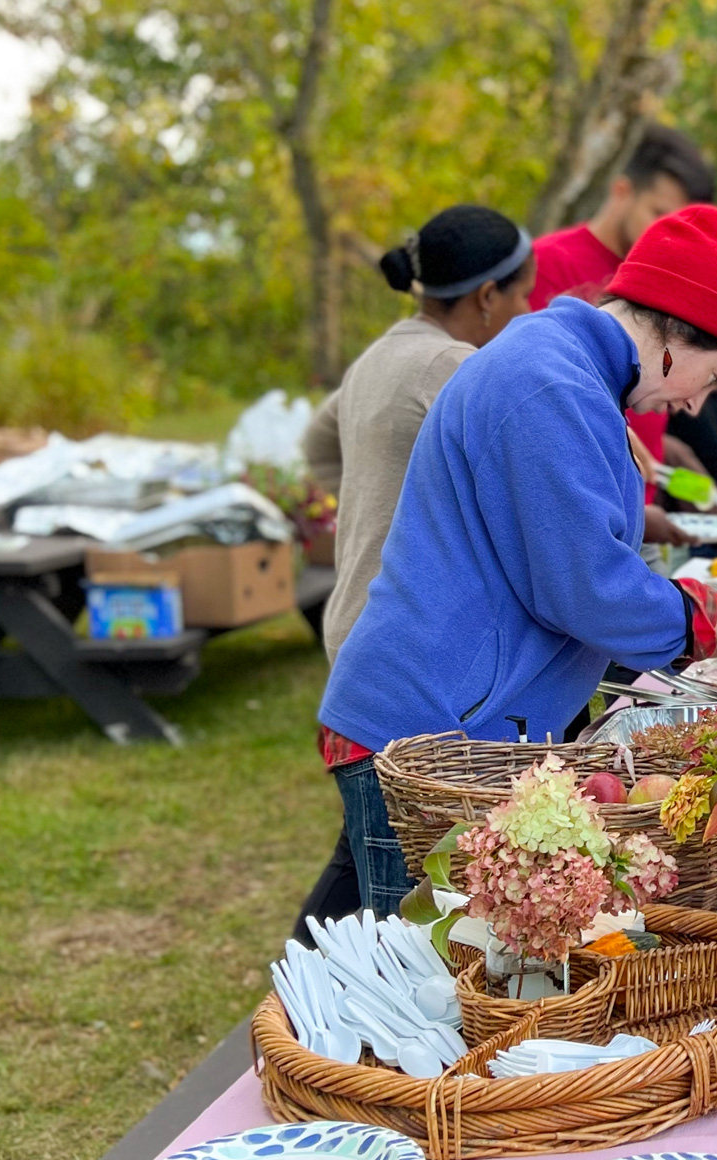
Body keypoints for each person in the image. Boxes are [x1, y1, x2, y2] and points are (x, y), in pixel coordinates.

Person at [321, 205, 717, 913]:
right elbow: (589, 590)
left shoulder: (570, 369)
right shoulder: (550, 384)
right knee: (427, 982)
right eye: (712, 380)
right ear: (675, 335)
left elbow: (574, 560)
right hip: (428, 729)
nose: (694, 406)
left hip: (463, 719)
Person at [294, 204, 534, 938]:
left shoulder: (380, 355)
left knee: (366, 838)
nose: (524, 312)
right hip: (405, 637)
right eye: (521, 295)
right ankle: (313, 997)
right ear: (488, 295)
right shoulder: (452, 365)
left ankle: (300, 983)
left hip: (352, 618)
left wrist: (382, 487)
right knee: (401, 863)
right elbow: (525, 481)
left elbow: (316, 446)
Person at [528, 125, 717, 542]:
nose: (669, 236)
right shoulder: (547, 263)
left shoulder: (665, 278)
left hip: (644, 511)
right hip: (579, 526)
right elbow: (533, 403)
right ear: (621, 191)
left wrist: (669, 449)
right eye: (657, 213)